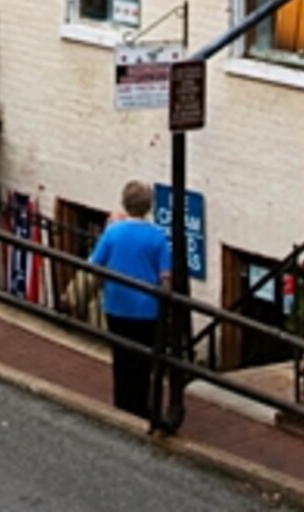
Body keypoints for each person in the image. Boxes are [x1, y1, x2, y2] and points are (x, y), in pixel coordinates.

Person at [88, 179, 175, 427]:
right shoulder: (157, 237)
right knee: (144, 359)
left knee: (121, 356)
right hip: (148, 309)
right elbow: (165, 277)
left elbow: (95, 264)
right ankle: (141, 407)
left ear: (125, 203)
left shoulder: (113, 233)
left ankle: (122, 402)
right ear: (149, 207)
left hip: (117, 305)